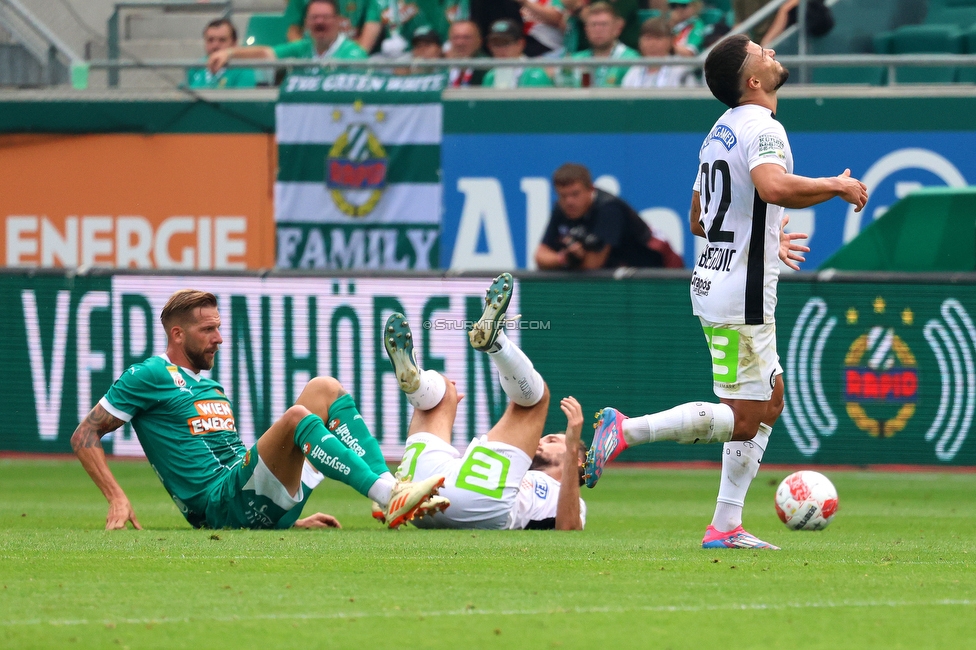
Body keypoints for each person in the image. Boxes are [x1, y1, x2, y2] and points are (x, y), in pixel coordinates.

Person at [584, 35, 868, 549]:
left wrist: (768, 233)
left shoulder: (720, 132)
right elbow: (773, 188)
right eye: (762, 51)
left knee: (770, 400)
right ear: (753, 81)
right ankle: (627, 429)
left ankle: (725, 525)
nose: (773, 51)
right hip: (743, 292)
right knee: (743, 419)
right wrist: (837, 185)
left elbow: (700, 217)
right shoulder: (764, 126)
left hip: (717, 280)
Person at [70, 289, 446, 531]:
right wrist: (116, 496)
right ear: (177, 335)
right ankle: (388, 494)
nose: (219, 337)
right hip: (217, 504)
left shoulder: (209, 384)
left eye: (218, 327)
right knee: (297, 418)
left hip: (245, 498)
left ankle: (391, 491)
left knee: (324, 388)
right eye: (208, 330)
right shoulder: (149, 374)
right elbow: (84, 435)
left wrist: (281, 520)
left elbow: (234, 457)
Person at [380, 273, 586, 530]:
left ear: (577, 460)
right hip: (422, 491)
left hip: (473, 501)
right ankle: (418, 385)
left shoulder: (568, 497)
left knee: (537, 398)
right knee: (442, 393)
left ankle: (496, 342)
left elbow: (569, 529)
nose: (542, 439)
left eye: (555, 440)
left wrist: (572, 437)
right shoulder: (521, 471)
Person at [535, 163, 683, 270]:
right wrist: (564, 257)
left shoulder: (609, 209)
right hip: (623, 277)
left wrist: (563, 259)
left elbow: (593, 265)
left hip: (658, 275)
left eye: (575, 194)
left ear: (590, 189)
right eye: (563, 195)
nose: (569, 201)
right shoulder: (561, 208)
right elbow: (540, 256)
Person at [207, 0, 367, 78]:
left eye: (325, 17)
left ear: (338, 21)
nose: (319, 22)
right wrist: (228, 53)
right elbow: (266, 53)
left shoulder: (353, 53)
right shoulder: (303, 47)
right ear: (306, 23)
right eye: (314, 18)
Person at [567, 2, 639, 87]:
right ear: (586, 30)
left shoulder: (631, 60)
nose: (598, 30)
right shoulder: (575, 60)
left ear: (616, 29)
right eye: (594, 25)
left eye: (604, 24)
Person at [621, 16, 696, 88]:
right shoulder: (633, 72)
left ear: (670, 41)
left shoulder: (681, 72)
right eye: (648, 38)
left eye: (658, 38)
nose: (652, 44)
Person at [483, 19, 555, 88]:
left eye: (506, 43)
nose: (501, 49)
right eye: (496, 44)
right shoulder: (490, 76)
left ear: (520, 44)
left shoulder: (536, 74)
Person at [186, 18, 256, 89]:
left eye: (222, 40)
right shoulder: (196, 68)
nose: (215, 45)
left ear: (234, 43)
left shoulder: (244, 70)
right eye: (210, 40)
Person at [284, 0, 378, 52]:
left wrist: (350, 56)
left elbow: (365, 45)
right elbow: (293, 32)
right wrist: (307, 55)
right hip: (311, 56)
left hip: (349, 58)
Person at [445, 20, 488, 86]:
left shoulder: (487, 69)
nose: (460, 43)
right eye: (456, 37)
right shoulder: (443, 69)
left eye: (466, 37)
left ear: (479, 41)